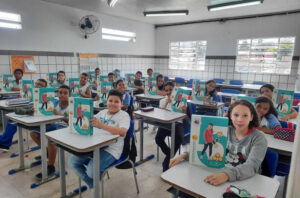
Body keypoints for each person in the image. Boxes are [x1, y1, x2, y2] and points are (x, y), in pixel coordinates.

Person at [170, 100, 267, 186]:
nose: (240, 119)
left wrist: (226, 175)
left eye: (245, 115)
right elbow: (208, 148)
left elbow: (252, 166)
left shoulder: (258, 137)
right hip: (219, 173)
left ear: (251, 117)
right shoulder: (225, 130)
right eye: (236, 115)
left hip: (244, 181)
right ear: (230, 116)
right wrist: (185, 154)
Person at [68, 89, 130, 189]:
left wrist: (101, 125)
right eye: (110, 101)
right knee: (72, 162)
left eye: (116, 101)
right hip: (95, 145)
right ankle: (93, 185)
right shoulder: (103, 112)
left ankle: (95, 182)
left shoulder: (124, 115)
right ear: (106, 101)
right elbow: (90, 120)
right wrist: (75, 117)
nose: (113, 104)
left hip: (111, 150)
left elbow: (122, 132)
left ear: (122, 104)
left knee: (91, 172)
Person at [30, 84, 70, 179]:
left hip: (65, 128)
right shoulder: (55, 103)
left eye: (65, 93)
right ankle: (47, 152)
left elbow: (73, 123)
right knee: (33, 134)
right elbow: (46, 114)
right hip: (53, 125)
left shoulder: (72, 106)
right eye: (60, 92)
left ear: (69, 95)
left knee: (51, 138)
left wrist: (60, 115)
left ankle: (50, 167)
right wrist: (36, 111)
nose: (62, 95)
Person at [0, 79, 48, 151]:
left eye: (41, 85)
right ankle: (4, 141)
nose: (38, 86)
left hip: (40, 118)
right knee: (12, 118)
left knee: (14, 121)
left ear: (45, 87)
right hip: (31, 114)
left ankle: (5, 142)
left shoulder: (46, 96)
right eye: (37, 84)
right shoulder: (31, 93)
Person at [155, 81, 186, 172]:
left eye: (171, 90)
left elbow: (185, 118)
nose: (168, 92)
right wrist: (166, 104)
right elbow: (161, 114)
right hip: (166, 123)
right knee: (158, 139)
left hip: (178, 123)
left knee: (179, 138)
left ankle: (166, 162)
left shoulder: (181, 101)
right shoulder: (163, 100)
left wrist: (184, 111)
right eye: (166, 90)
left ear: (175, 90)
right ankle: (170, 155)